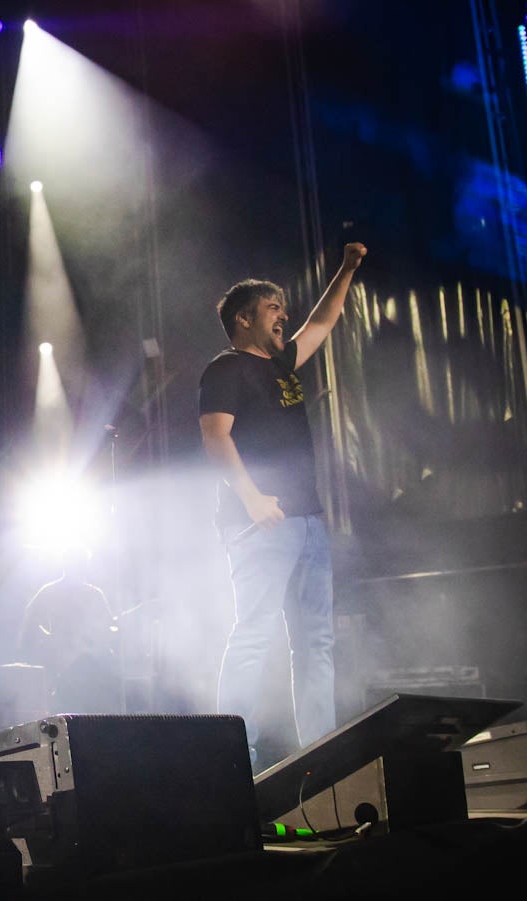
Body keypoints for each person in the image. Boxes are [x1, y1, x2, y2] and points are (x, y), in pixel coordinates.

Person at [199, 242, 367, 768]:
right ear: (244, 318)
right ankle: (235, 761)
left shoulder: (282, 363)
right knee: (254, 634)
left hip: (308, 522)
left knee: (315, 642)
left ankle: (321, 756)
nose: (284, 316)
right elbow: (215, 437)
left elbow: (321, 322)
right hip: (262, 524)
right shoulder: (225, 368)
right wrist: (251, 499)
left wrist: (345, 270)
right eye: (273, 309)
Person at [16, 546, 119, 712]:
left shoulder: (93, 594)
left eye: (80, 562)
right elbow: (30, 624)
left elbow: (108, 627)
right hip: (62, 668)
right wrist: (48, 644)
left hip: (87, 665)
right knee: (66, 712)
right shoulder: (51, 592)